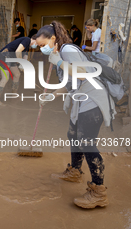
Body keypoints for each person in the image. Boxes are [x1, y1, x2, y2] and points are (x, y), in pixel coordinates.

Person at [35, 21, 115, 209]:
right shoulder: (60, 53)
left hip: (93, 99)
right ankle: (75, 171)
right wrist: (51, 96)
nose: (41, 49)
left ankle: (99, 192)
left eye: (42, 45)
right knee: (73, 135)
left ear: (53, 38)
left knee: (87, 142)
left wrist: (60, 63)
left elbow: (83, 74)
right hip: (81, 99)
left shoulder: (68, 50)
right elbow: (70, 83)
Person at [0, 35, 38, 106]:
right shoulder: (27, 40)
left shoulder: (27, 46)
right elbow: (17, 51)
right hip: (5, 54)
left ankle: (13, 95)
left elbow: (25, 57)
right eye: (37, 43)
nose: (37, 45)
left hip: (11, 57)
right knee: (5, 78)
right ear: (35, 39)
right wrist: (20, 63)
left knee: (17, 74)